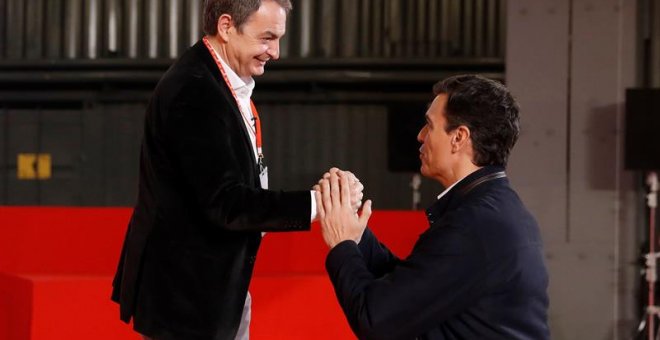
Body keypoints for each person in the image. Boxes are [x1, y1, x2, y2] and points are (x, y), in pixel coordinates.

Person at [111, 1, 362, 339]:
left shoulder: (219, 81)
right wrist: (321, 203)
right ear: (227, 27)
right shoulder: (195, 91)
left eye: (278, 39)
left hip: (213, 292)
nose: (275, 52)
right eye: (267, 38)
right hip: (187, 303)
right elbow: (226, 203)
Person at [315, 75, 550, 339]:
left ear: (458, 137)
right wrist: (356, 236)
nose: (420, 136)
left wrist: (342, 244)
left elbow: (375, 319)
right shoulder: (496, 211)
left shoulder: (474, 225)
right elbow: (416, 288)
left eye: (429, 125)